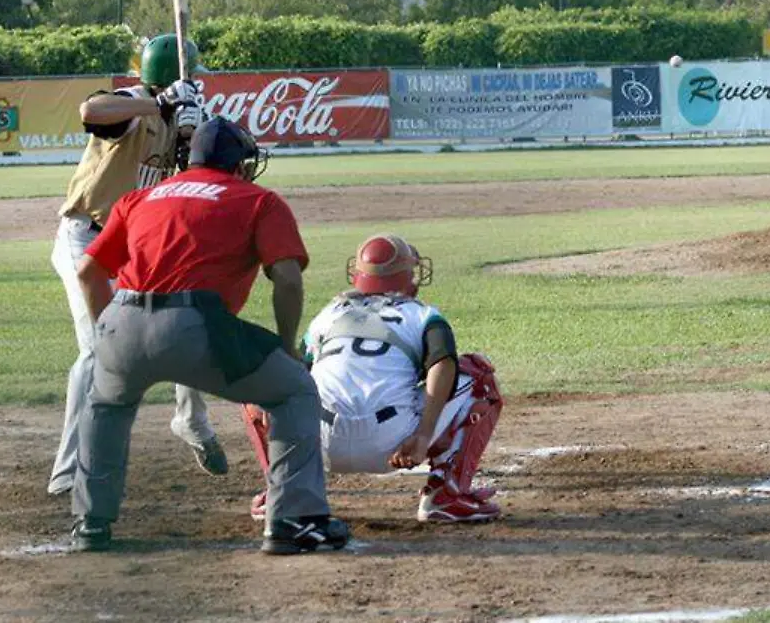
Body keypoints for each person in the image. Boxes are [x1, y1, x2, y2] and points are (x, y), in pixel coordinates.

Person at [68, 116, 349, 555]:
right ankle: (293, 520)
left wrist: (107, 332)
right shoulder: (258, 200)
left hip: (123, 317)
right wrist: (288, 343)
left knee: (106, 410)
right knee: (293, 390)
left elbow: (88, 271)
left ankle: (90, 524)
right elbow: (288, 279)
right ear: (238, 165)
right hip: (195, 323)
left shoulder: (141, 197)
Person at [49, 34, 227, 496]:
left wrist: (191, 131)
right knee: (99, 350)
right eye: (191, 78)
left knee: (191, 317)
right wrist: (160, 102)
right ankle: (70, 470)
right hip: (88, 238)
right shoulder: (135, 104)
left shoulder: (185, 118)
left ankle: (191, 420)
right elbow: (92, 112)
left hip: (139, 247)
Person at [243, 234, 505, 523]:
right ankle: (446, 493)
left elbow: (290, 369)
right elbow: (443, 365)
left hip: (318, 442)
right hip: (394, 443)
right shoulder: (422, 315)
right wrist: (423, 435)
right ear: (407, 276)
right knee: (479, 377)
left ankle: (284, 491)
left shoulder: (328, 315)